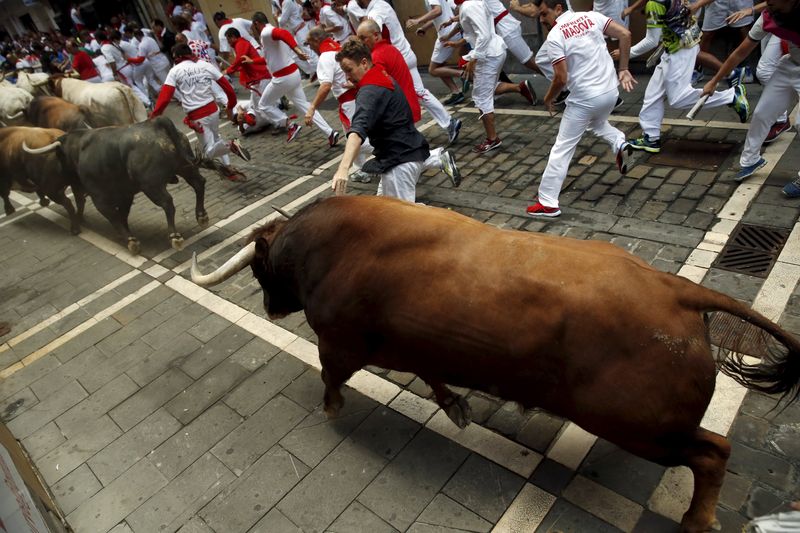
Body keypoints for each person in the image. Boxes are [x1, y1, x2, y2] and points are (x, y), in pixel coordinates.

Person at [527, 0, 636, 217]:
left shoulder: (555, 36)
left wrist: (549, 98)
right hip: (611, 92)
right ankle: (619, 142)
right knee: (597, 123)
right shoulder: (591, 17)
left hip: (586, 98)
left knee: (562, 147)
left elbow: (561, 77)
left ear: (558, 8)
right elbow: (625, 34)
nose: (542, 20)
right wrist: (623, 68)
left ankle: (548, 202)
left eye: (544, 14)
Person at [331, 40, 461, 202]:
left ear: (364, 63)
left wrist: (343, 168)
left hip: (399, 164)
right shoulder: (381, 73)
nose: (347, 77)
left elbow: (357, 131)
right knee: (382, 214)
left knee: (403, 222)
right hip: (405, 151)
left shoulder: (369, 91)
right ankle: (436, 157)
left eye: (349, 70)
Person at [625, 0, 750, 153]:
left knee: (678, 99)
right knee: (653, 94)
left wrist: (626, 53)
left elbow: (651, 41)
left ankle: (731, 96)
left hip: (679, 52)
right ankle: (651, 138)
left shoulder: (654, 4)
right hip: (682, 44)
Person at [700, 0, 799, 187]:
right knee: (762, 113)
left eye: (773, 2)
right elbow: (739, 53)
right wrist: (713, 82)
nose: (768, 4)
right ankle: (750, 161)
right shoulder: (769, 17)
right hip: (790, 64)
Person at [356, 0, 462, 143]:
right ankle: (448, 123)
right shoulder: (382, 4)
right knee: (417, 93)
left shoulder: (375, 13)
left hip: (396, 59)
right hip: (403, 54)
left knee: (403, 97)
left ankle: (444, 124)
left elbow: (374, 34)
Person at [150, 43, 249, 179]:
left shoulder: (175, 71)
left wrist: (154, 115)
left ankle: (231, 146)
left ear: (177, 57)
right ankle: (227, 168)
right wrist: (230, 106)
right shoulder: (204, 65)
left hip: (198, 117)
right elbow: (227, 87)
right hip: (213, 111)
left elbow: (165, 97)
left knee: (208, 152)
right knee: (215, 139)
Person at [457, 0, 535, 153]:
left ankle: (492, 139)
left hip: (488, 55)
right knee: (485, 91)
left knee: (481, 97)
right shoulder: (471, 4)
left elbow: (484, 35)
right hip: (491, 53)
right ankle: (519, 88)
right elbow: (477, 30)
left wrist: (474, 59)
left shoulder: (470, 5)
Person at [251, 11, 338, 144]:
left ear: (257, 24)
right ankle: (330, 132)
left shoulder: (265, 32)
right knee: (304, 105)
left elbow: (283, 33)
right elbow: (269, 59)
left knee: (263, 105)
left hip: (282, 78)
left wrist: (297, 50)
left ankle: (290, 125)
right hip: (292, 74)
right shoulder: (268, 36)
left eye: (253, 27)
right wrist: (252, 62)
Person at [305, 27, 375, 181]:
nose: (310, 48)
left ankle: (391, 151)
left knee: (356, 139)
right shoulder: (340, 48)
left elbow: (325, 86)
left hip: (349, 101)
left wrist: (312, 108)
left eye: (310, 44)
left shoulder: (325, 57)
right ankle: (362, 170)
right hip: (357, 96)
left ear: (317, 41)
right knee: (352, 135)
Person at [357, 19, 422, 124]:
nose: (361, 43)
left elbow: (377, 89)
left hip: (400, 112)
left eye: (363, 38)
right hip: (408, 106)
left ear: (376, 36)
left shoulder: (377, 56)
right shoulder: (391, 48)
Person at [224, 27, 288, 132]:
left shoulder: (240, 44)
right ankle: (280, 117)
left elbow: (240, 59)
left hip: (259, 78)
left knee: (262, 105)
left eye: (228, 39)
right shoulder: (241, 44)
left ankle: (282, 122)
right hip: (258, 78)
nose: (228, 42)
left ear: (233, 37)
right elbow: (242, 61)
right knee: (261, 105)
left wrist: (228, 70)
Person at [405, 0, 466, 105]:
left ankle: (464, 75)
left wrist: (417, 21)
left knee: (433, 70)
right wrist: (424, 28)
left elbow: (437, 11)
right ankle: (456, 93)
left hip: (447, 34)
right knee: (439, 65)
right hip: (450, 30)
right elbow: (437, 16)